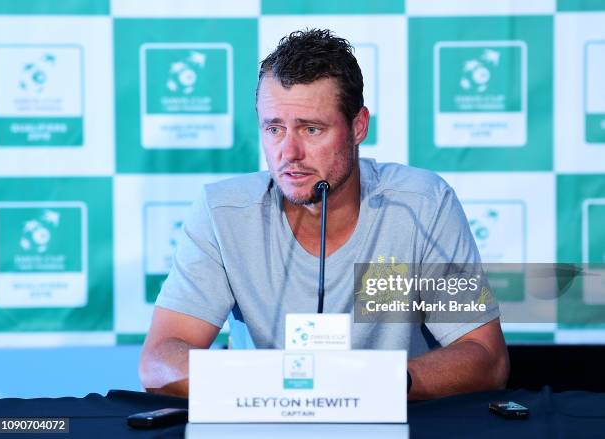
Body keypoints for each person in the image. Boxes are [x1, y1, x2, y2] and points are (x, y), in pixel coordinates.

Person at [139, 29, 509, 400]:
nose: (289, 152)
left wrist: (368, 387)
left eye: (311, 129)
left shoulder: (423, 204)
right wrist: (283, 387)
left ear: (358, 126)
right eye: (274, 129)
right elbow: (159, 360)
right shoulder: (223, 213)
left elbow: (486, 357)